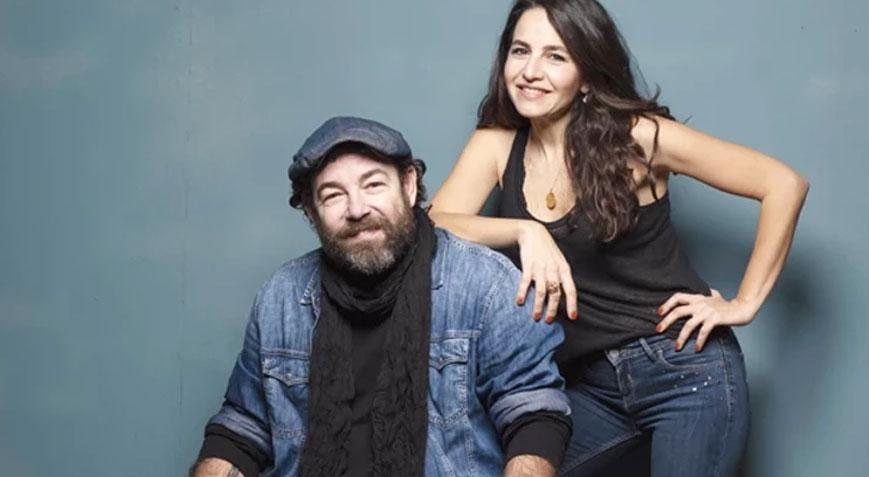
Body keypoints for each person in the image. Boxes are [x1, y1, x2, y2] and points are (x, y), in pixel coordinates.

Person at [429, 1, 809, 476]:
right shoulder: (497, 145)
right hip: (588, 384)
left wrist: (744, 302)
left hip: (684, 371)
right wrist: (525, 231)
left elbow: (783, 183)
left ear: (587, 76)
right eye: (520, 51)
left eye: (555, 56)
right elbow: (434, 225)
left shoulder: (637, 138)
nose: (530, 71)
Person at [189, 116, 573, 477]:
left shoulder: (484, 284)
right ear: (311, 212)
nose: (357, 209)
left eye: (373, 185)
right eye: (333, 195)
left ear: (408, 186)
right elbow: (242, 430)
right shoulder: (282, 298)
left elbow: (533, 418)